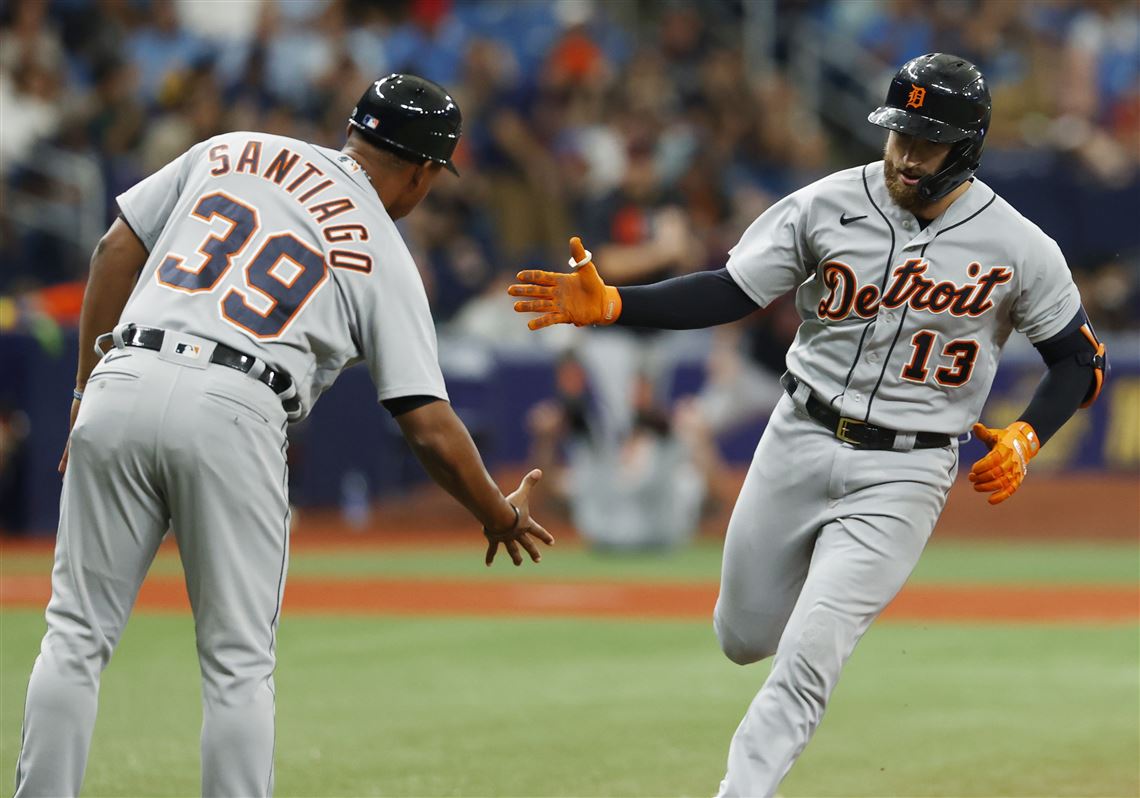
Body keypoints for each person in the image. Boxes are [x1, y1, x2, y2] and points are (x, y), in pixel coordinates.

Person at [509, 53, 1107, 795]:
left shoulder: (1020, 247)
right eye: (898, 133)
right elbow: (731, 291)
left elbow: (1078, 362)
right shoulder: (827, 203)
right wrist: (619, 305)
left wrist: (1027, 434)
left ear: (968, 147)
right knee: (743, 637)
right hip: (797, 434)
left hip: (906, 470)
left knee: (808, 654)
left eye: (926, 140)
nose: (904, 152)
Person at [15, 73, 553, 797]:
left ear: (356, 131)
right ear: (424, 173)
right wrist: (497, 512)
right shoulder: (384, 249)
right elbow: (427, 424)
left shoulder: (233, 148)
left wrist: (85, 390)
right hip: (236, 405)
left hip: (126, 371)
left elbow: (115, 250)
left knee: (75, 638)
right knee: (237, 665)